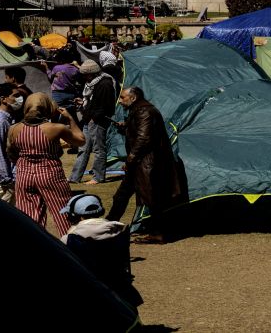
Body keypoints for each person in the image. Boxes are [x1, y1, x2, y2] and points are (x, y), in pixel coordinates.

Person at [108, 87, 187, 244]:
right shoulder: (139, 111)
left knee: (152, 200)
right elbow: (142, 133)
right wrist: (126, 127)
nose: (120, 101)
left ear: (134, 97)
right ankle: (108, 225)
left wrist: (130, 159)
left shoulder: (145, 112)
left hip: (146, 164)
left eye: (123, 97)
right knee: (123, 196)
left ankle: (157, 233)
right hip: (142, 164)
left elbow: (144, 139)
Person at [7, 93, 84, 234]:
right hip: (50, 174)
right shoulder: (56, 128)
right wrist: (70, 118)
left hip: (24, 175)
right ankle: (71, 248)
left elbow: (11, 154)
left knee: (30, 218)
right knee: (64, 214)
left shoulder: (14, 128)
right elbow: (80, 140)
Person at [61, 193, 144, 308]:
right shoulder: (119, 231)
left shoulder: (69, 239)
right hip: (119, 284)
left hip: (88, 288)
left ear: (78, 217)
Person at [69, 60, 117, 185]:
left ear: (91, 73)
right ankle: (75, 177)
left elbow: (105, 105)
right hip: (89, 118)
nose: (85, 77)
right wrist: (83, 103)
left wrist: (93, 118)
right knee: (83, 149)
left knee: (98, 149)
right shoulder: (92, 83)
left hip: (98, 120)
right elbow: (94, 101)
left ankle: (98, 177)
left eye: (86, 75)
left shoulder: (105, 83)